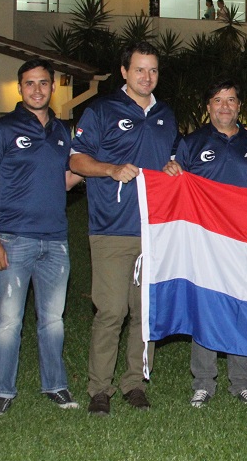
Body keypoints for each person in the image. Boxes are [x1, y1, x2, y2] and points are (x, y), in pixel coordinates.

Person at [70, 41, 178, 416]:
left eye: (153, 70)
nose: (147, 77)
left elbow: (170, 160)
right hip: (111, 229)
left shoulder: (166, 115)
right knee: (112, 311)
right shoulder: (101, 110)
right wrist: (111, 169)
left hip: (154, 231)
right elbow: (77, 160)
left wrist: (172, 168)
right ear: (124, 72)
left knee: (144, 314)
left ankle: (135, 384)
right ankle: (100, 389)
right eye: (139, 69)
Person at [0, 58, 84, 416]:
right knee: (9, 321)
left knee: (53, 319)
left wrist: (94, 168)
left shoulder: (61, 131)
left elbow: (63, 181)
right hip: (13, 238)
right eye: (30, 83)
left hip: (55, 240)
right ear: (20, 87)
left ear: (53, 87)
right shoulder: (2, 128)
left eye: (44, 83)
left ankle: (55, 385)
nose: (37, 89)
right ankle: (3, 391)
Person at [162, 80, 247, 408]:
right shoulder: (191, 143)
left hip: (245, 242)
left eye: (230, 100)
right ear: (208, 107)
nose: (224, 106)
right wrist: (170, 172)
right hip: (206, 243)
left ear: (239, 106)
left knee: (243, 307)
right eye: (217, 100)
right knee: (207, 309)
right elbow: (176, 189)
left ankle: (241, 382)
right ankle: (203, 382)